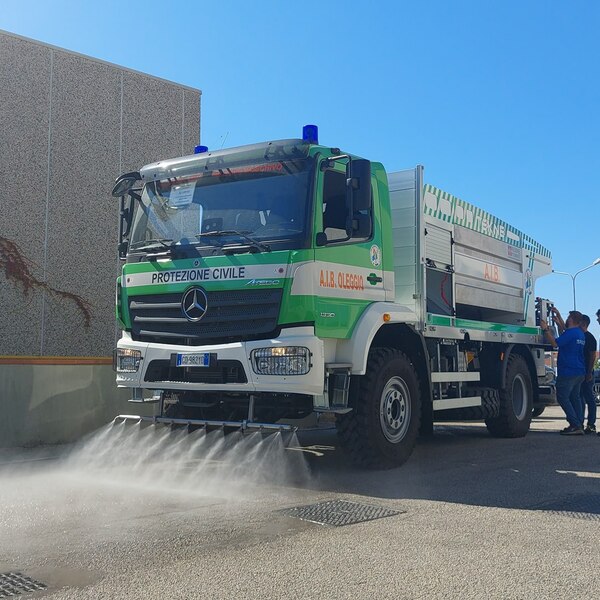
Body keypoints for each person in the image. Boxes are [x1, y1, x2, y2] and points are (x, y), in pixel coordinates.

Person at [540, 308, 586, 435]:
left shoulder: (570, 334)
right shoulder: (579, 333)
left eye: (568, 317)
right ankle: (579, 423)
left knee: (563, 397)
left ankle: (575, 424)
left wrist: (545, 329)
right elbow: (565, 331)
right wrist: (558, 316)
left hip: (568, 371)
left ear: (571, 320)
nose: (567, 319)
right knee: (575, 398)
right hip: (579, 371)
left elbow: (555, 343)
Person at [579, 315, 597, 433]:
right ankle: (579, 422)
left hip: (587, 372)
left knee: (589, 398)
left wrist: (589, 372)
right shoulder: (579, 336)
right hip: (579, 372)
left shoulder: (590, 338)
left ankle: (591, 424)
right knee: (579, 397)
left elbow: (592, 355)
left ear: (584, 323)